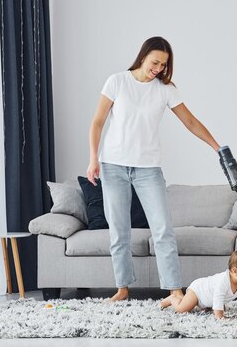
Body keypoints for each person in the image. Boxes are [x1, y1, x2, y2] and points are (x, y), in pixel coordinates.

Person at [86, 36, 221, 302]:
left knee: (162, 231)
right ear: (143, 56)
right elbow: (97, 122)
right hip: (113, 165)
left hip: (148, 168)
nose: (158, 68)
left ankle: (174, 290)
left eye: (163, 64)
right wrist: (93, 159)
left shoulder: (165, 89)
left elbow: (190, 121)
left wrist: (216, 147)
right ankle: (123, 289)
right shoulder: (117, 82)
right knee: (119, 230)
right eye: (155, 62)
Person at [160, 248, 237, 319]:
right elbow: (218, 296)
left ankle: (207, 307)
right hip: (198, 291)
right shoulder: (223, 281)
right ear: (234, 271)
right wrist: (219, 316)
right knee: (182, 310)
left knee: (219, 306)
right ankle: (172, 298)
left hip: (207, 299)